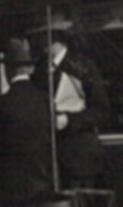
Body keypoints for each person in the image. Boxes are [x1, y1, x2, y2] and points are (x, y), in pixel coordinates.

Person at [33, 17, 109, 190]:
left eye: (42, 36)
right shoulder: (39, 71)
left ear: (55, 37)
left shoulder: (82, 67)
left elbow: (101, 112)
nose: (38, 42)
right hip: (49, 160)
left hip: (79, 156)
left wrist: (69, 120)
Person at [0, 37, 55, 205]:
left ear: (7, 69)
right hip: (40, 189)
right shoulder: (46, 101)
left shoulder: (1, 104)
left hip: (5, 192)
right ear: (31, 69)